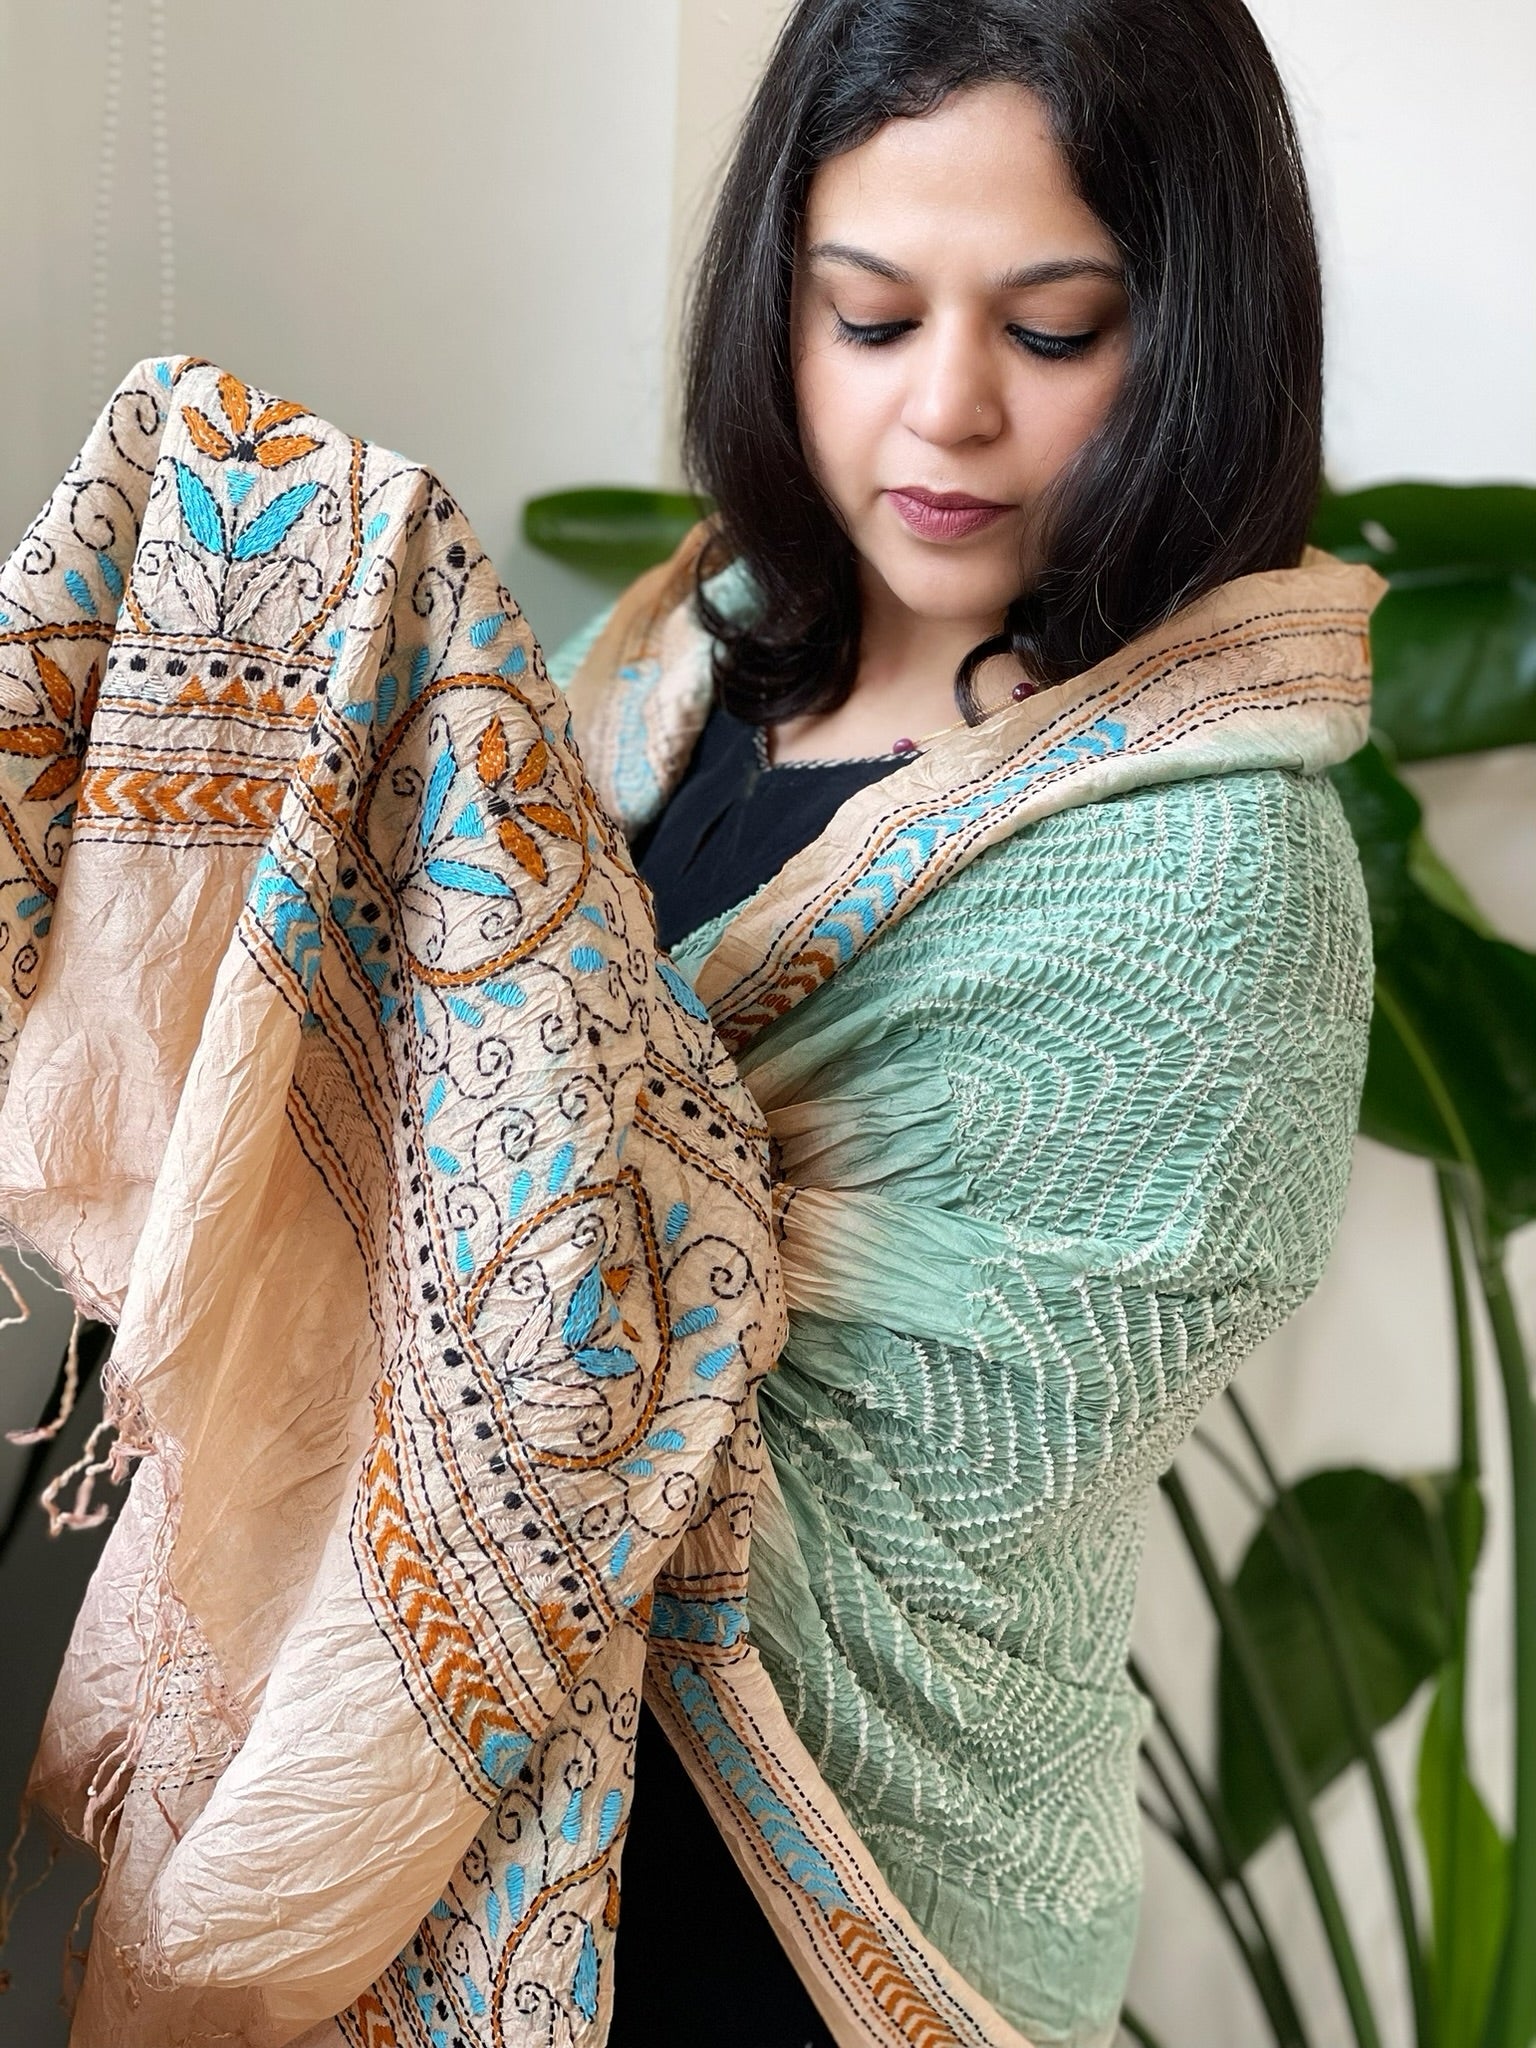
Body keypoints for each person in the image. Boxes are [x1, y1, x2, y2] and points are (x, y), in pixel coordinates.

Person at [547, 1, 1379, 2043]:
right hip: (498, 1839)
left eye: (1054, 326)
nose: (945, 415)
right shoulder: (682, 654)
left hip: (823, 1905)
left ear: (1192, 328)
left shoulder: (1210, 870)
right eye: (869, 313)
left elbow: (922, 1467)